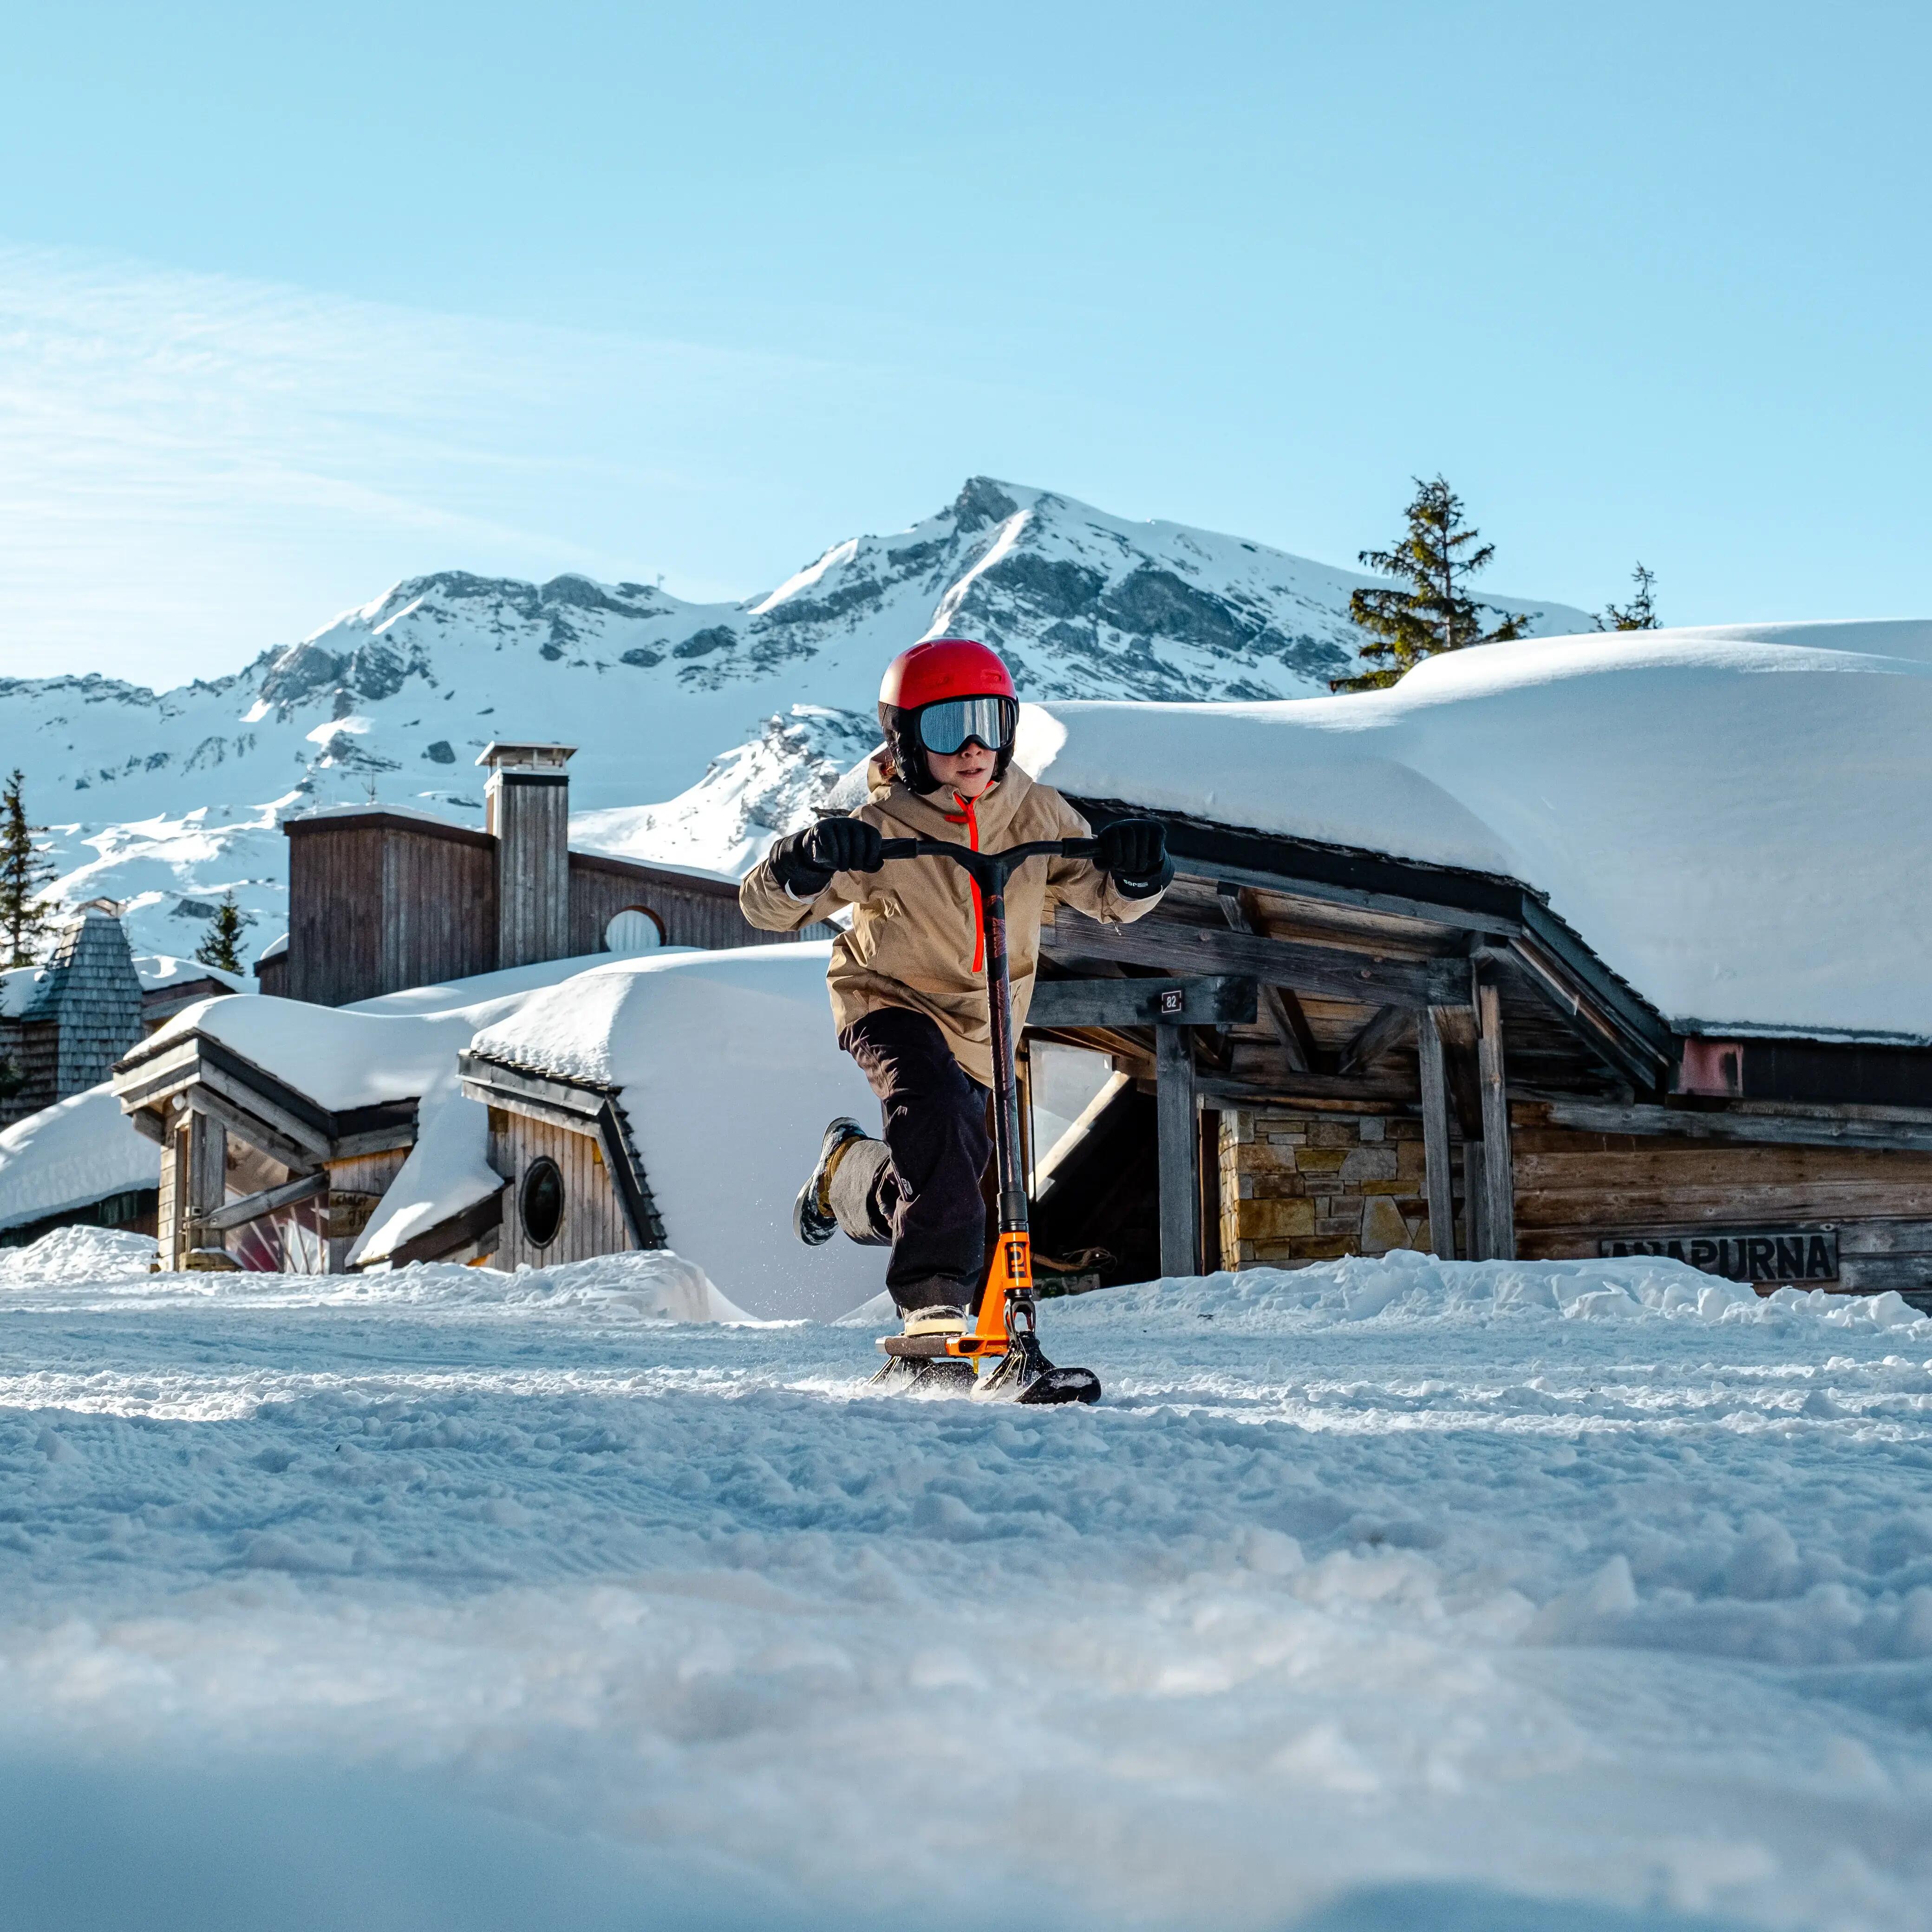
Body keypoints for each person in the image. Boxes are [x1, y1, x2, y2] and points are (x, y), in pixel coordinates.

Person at [738, 638, 1171, 1338]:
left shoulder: (1037, 814)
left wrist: (1137, 871)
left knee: (955, 1188)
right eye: (947, 728)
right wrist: (807, 862)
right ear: (908, 741)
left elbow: (1106, 897)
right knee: (935, 1115)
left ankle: (848, 1178)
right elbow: (768, 908)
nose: (972, 747)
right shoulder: (877, 828)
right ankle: (932, 1307)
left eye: (989, 724)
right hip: (890, 1004)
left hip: (987, 1028)